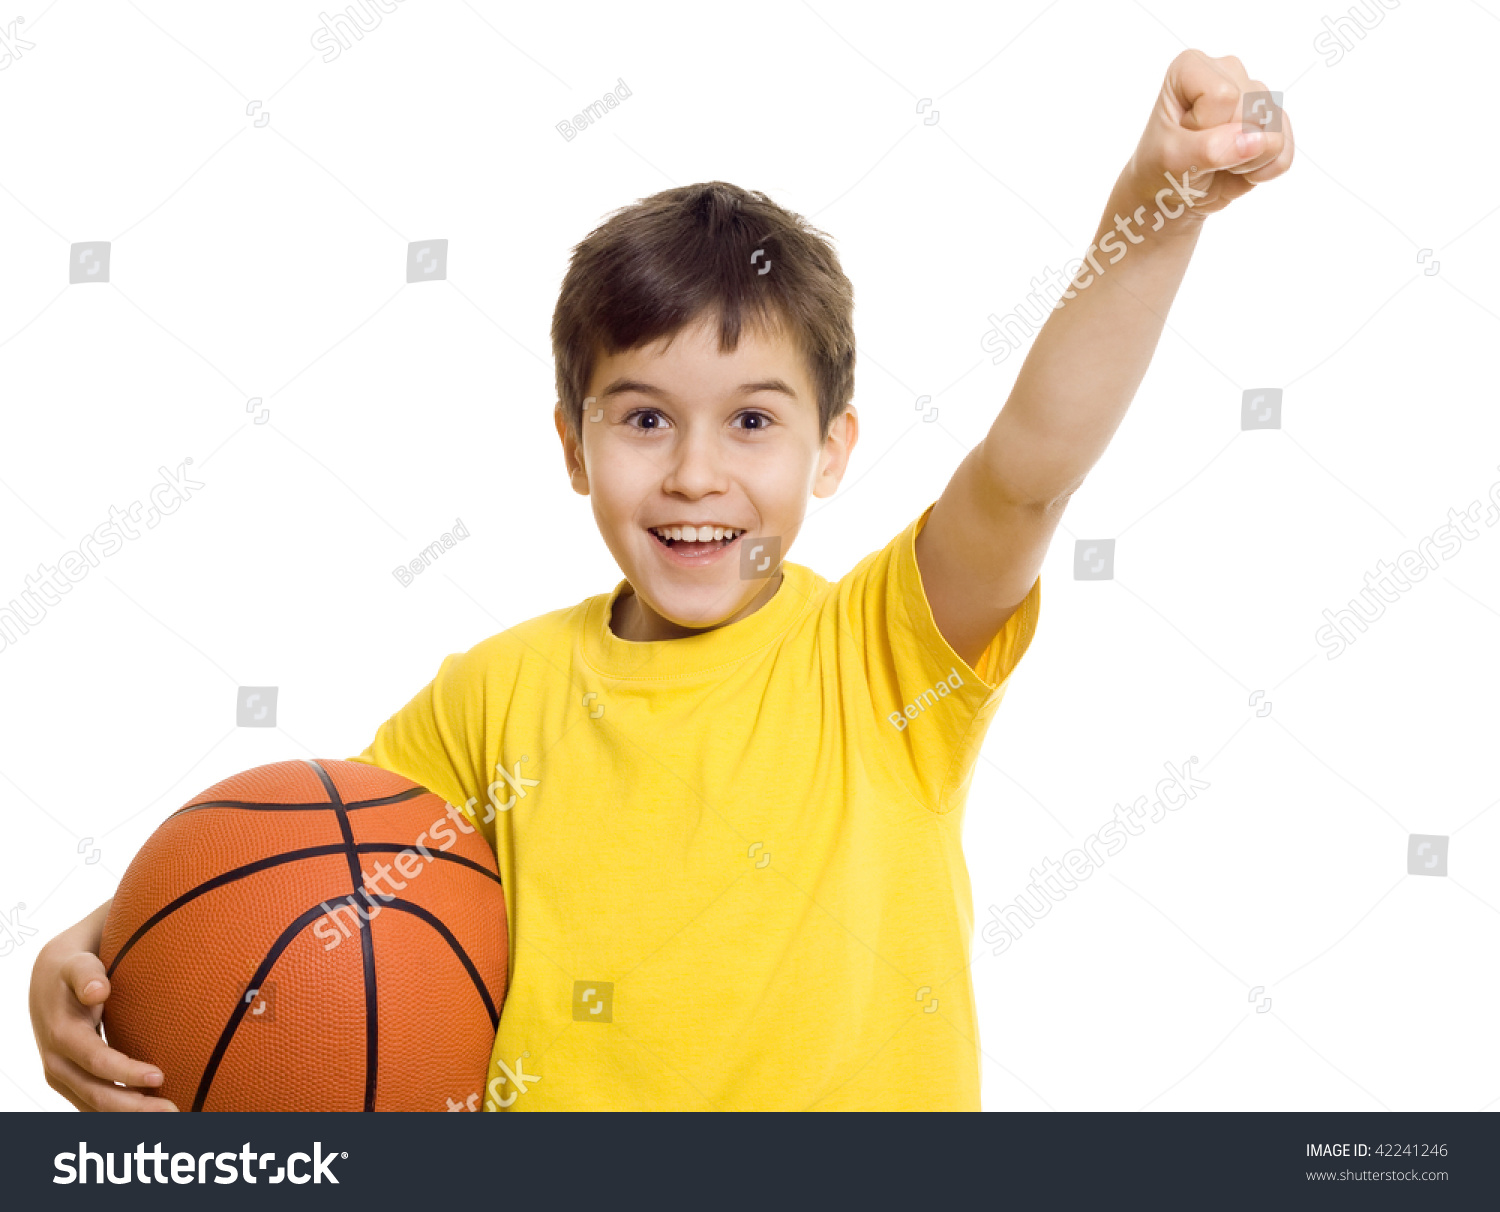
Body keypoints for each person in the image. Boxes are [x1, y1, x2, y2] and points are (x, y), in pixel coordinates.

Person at [29, 49, 1292, 1111]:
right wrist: (105, 953)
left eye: (753, 423)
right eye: (643, 420)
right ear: (573, 445)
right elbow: (321, 892)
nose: (696, 476)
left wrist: (1157, 204)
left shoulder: (885, 655)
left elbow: (1028, 469)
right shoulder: (494, 698)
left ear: (832, 449)